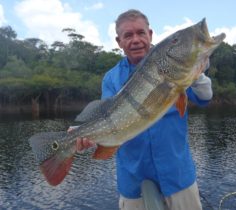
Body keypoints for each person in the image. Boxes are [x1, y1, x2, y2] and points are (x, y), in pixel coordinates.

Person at [75, 9, 213, 210]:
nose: (136, 39)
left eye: (141, 33)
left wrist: (197, 73)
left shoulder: (172, 63)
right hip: (133, 182)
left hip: (178, 177)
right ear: (119, 41)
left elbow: (205, 98)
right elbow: (106, 119)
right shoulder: (111, 78)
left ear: (150, 35)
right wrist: (83, 134)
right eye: (128, 35)